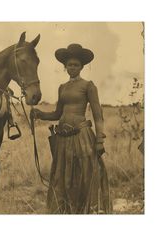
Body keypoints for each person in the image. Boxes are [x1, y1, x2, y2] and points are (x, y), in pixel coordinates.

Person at [30, 44, 111, 214]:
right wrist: (40, 114)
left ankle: (88, 210)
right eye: (69, 64)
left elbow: (98, 114)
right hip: (63, 139)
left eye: (76, 65)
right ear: (64, 66)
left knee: (85, 174)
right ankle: (65, 210)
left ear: (82, 67)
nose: (72, 67)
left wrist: (99, 140)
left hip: (82, 137)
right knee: (63, 174)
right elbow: (57, 113)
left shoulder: (88, 86)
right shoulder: (62, 88)